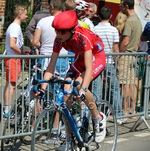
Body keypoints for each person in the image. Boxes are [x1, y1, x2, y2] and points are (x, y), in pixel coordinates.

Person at [34, 10, 106, 145]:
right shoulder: (59, 40)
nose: (58, 34)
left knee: (78, 84)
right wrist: (43, 88)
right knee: (66, 89)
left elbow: (89, 68)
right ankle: (72, 135)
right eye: (56, 31)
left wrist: (83, 90)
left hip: (96, 57)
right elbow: (51, 66)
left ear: (72, 30)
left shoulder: (82, 36)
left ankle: (98, 118)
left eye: (62, 31)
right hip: (80, 58)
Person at [95, 6, 124, 124]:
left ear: (98, 16)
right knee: (114, 89)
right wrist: (117, 62)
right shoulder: (113, 30)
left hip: (97, 61)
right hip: (109, 62)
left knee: (96, 89)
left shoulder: (95, 29)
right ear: (111, 16)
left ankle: (96, 114)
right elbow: (115, 48)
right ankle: (118, 114)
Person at [3, 4, 28, 118]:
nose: (27, 16)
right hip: (13, 58)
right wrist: (21, 53)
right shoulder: (15, 27)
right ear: (20, 14)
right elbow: (13, 44)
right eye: (25, 14)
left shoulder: (14, 27)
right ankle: (7, 110)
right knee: (11, 85)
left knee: (10, 84)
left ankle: (6, 109)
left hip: (13, 57)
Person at [119, 0, 142, 119]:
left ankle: (125, 111)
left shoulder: (129, 21)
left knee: (125, 85)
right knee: (132, 84)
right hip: (133, 55)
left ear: (126, 6)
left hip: (127, 55)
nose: (120, 8)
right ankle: (132, 110)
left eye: (121, 6)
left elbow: (125, 41)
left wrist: (119, 53)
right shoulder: (137, 19)